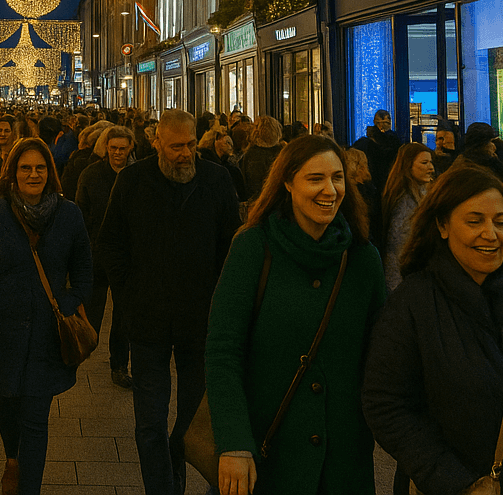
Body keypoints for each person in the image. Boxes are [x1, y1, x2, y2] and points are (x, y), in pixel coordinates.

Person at [205, 135, 386, 495]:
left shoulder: (363, 260)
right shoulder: (254, 248)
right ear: (287, 183)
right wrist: (234, 442)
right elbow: (223, 350)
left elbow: (383, 354)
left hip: (343, 461)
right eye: (315, 179)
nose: (329, 190)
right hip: (268, 454)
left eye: (337, 178)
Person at [363, 163, 503, 495]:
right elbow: (385, 403)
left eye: (500, 222)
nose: (490, 234)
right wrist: (453, 480)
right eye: (474, 221)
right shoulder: (412, 305)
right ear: (443, 225)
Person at [97, 109, 240, 495]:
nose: (185, 154)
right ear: (156, 142)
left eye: (191, 145)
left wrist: (221, 299)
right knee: (149, 422)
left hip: (200, 321)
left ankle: (176, 463)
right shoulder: (132, 181)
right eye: (176, 146)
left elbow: (232, 245)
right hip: (148, 323)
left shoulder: (216, 180)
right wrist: (128, 293)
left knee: (193, 420)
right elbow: (111, 242)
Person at [0, 138, 93, 495]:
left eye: (40, 168)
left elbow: (84, 268)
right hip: (2, 333)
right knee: (7, 407)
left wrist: (69, 303)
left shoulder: (69, 215)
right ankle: (12, 458)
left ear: (50, 172)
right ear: (12, 173)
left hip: (47, 337)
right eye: (25, 168)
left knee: (36, 419)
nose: (33, 174)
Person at [76, 125, 134, 387]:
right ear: (106, 148)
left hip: (126, 256)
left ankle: (119, 364)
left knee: (123, 312)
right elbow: (81, 211)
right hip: (97, 253)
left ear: (130, 148)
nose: (118, 154)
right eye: (113, 149)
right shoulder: (91, 174)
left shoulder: (136, 176)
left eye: (122, 149)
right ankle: (82, 348)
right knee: (92, 308)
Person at [381, 142, 435, 291]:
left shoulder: (418, 193)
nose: (431, 168)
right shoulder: (405, 200)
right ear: (408, 166)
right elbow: (399, 244)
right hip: (404, 279)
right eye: (424, 163)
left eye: (431, 162)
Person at [239, 115, 283, 206]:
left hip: (257, 203)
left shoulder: (251, 154)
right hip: (280, 200)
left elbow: (249, 183)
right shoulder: (283, 152)